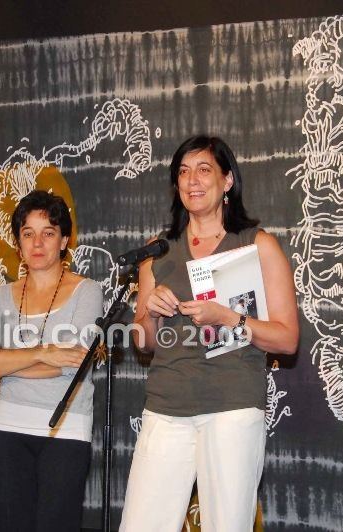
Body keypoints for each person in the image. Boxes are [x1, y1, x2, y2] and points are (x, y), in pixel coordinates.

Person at [119, 135, 299, 531]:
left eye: (204, 170)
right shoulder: (158, 250)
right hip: (166, 405)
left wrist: (228, 317)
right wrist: (150, 314)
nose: (192, 180)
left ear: (227, 180)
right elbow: (144, 343)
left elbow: (287, 339)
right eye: (183, 172)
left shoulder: (257, 244)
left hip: (232, 407)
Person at [0, 190, 103, 531]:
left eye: (48, 232)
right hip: (9, 426)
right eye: (28, 233)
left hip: (66, 427)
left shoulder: (87, 291)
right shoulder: (1, 296)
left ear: (64, 241)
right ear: (18, 243)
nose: (38, 243)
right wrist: (44, 352)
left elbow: (74, 362)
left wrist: (8, 363)